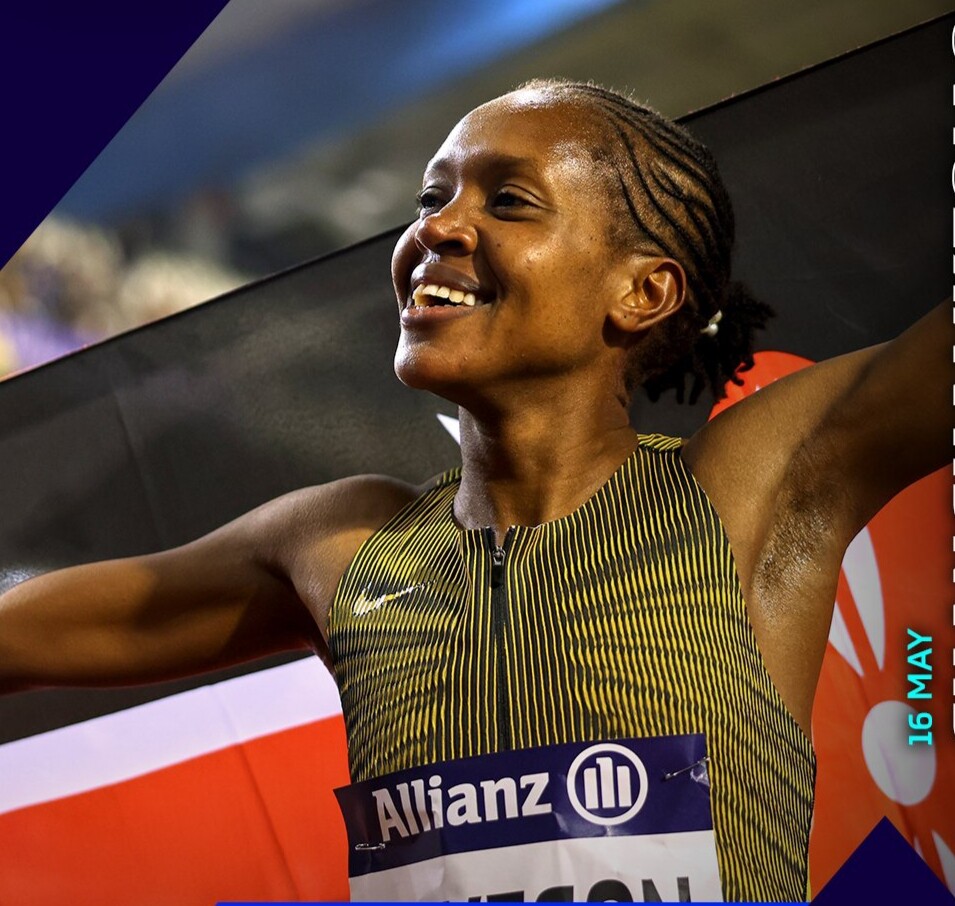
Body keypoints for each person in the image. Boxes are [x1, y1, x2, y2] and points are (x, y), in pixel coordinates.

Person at [0, 80, 947, 901]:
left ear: (642, 292)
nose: (437, 227)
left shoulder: (752, 485)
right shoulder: (340, 544)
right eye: (432, 196)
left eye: (509, 202)